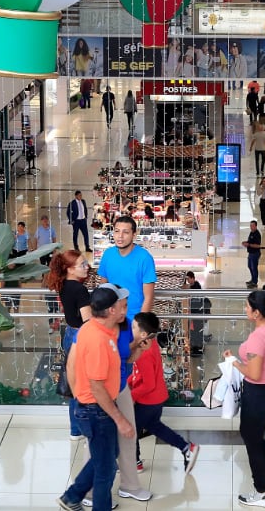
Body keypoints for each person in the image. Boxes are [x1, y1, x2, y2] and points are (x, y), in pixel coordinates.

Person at [57, 284, 135, 511]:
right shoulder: (98, 340)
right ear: (111, 310)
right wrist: (120, 419)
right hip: (96, 410)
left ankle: (72, 496)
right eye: (122, 306)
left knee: (109, 456)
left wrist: (78, 394)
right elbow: (97, 386)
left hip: (90, 407)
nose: (125, 311)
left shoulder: (91, 328)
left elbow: (71, 364)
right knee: (105, 472)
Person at [95, 216, 155, 504]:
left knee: (125, 379)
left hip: (129, 328)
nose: (120, 236)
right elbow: (104, 290)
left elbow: (147, 297)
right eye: (116, 231)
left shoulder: (144, 258)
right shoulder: (107, 256)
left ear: (134, 233)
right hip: (113, 329)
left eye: (125, 231)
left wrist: (138, 330)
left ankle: (124, 478)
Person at [225, 291, 265, 507]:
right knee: (254, 436)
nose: (245, 310)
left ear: (256, 313)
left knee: (251, 440)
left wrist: (234, 362)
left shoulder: (257, 338)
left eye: (247, 307)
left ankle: (262, 492)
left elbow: (253, 373)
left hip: (257, 395)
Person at [128, 312, 200, 474]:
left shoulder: (143, 353)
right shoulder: (150, 344)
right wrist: (128, 383)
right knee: (155, 426)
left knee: (131, 430)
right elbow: (140, 375)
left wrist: (130, 396)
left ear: (143, 334)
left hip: (148, 401)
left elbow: (148, 383)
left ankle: (135, 462)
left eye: (133, 327)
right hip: (156, 398)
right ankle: (186, 447)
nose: (130, 329)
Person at [47, 250, 92, 438]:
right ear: (70, 269)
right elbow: (88, 321)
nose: (87, 267)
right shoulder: (79, 290)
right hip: (82, 337)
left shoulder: (64, 285)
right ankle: (85, 427)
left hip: (70, 334)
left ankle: (75, 429)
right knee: (85, 385)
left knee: (74, 382)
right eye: (82, 264)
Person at [185, 271, 210, 358]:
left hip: (197, 314)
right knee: (196, 331)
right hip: (196, 314)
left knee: (196, 331)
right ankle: (197, 347)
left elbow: (196, 301)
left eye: (188, 279)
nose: (187, 281)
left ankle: (197, 348)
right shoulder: (194, 286)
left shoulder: (196, 287)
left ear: (192, 278)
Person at [243, 220, 264, 287]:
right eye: (250, 225)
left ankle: (255, 282)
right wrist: (245, 242)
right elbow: (250, 241)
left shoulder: (257, 234)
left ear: (255, 226)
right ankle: (252, 279)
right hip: (251, 253)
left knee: (254, 267)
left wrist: (248, 244)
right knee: (250, 266)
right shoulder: (251, 232)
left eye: (252, 225)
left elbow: (258, 245)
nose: (251, 227)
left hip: (255, 253)